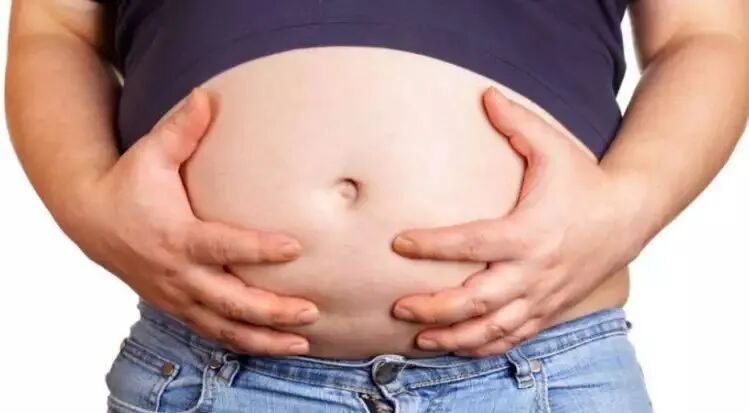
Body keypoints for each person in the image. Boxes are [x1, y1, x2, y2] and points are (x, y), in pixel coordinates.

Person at [5, 0, 748, 412]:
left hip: (541, 369)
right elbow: (55, 29)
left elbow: (705, 35)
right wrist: (88, 203)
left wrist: (625, 209)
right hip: (216, 374)